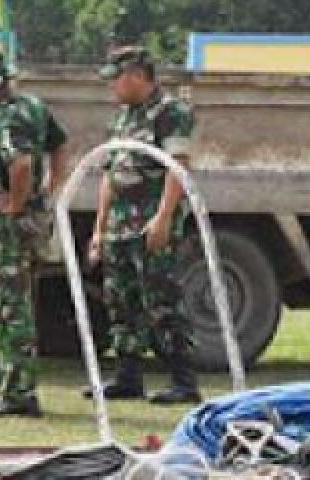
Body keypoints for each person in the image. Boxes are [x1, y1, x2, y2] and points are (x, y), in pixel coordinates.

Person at [86, 45, 201, 405]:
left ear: (136, 75)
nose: (112, 88)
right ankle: (127, 378)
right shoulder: (123, 117)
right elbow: (110, 174)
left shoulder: (171, 113)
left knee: (162, 300)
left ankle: (183, 380)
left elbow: (177, 168)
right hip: (120, 224)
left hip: (151, 221)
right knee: (121, 302)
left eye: (115, 80)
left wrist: (163, 218)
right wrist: (99, 229)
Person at [0, 46, 67, 417]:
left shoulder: (6, 119)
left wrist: (16, 204)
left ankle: (17, 393)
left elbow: (20, 164)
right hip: (9, 221)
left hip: (3, 226)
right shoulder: (32, 107)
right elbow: (60, 145)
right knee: (8, 304)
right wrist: (47, 190)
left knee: (6, 307)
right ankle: (5, 387)